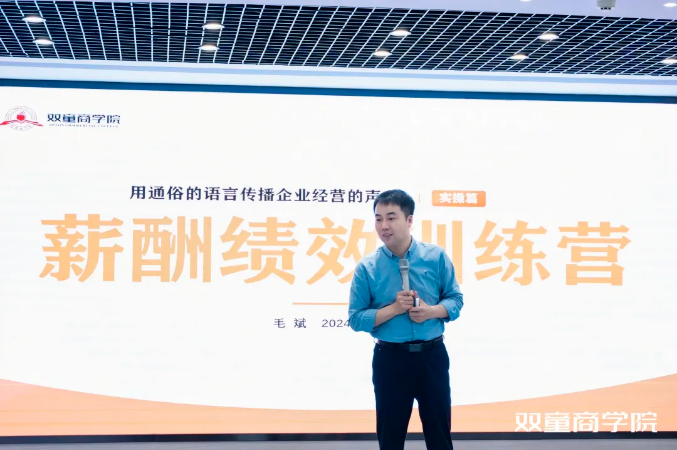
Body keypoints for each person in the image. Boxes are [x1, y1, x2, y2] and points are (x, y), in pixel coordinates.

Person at [348, 189, 463, 450]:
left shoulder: (436, 257)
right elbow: (355, 319)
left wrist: (432, 311)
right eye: (378, 219)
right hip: (390, 359)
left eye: (391, 218)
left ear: (409, 220)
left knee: (439, 434)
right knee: (390, 436)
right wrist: (394, 309)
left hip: (432, 356)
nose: (384, 226)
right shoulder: (367, 267)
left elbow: (455, 300)